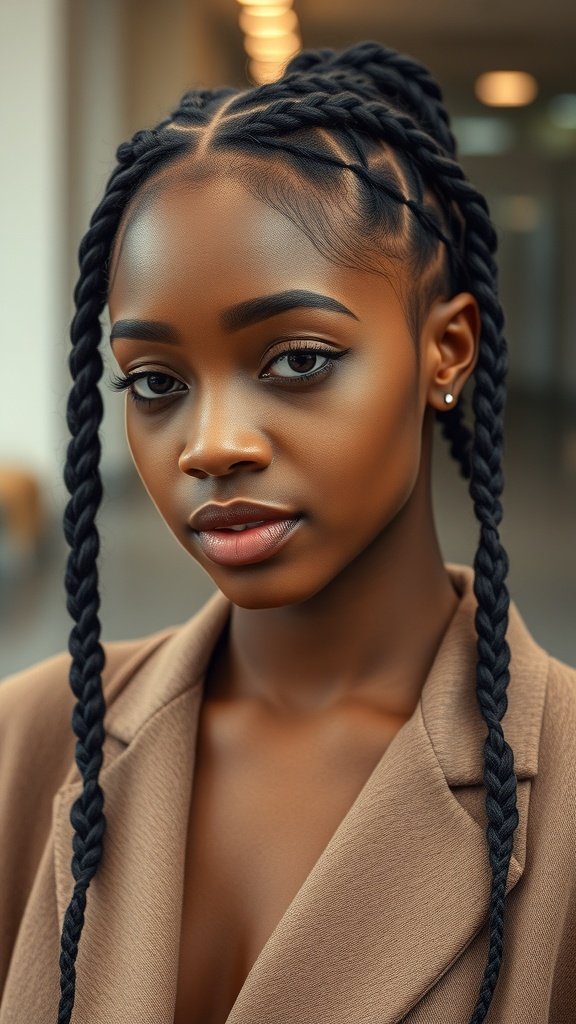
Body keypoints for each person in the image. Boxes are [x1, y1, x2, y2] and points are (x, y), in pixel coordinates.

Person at [0, 38, 574, 1024]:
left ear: (447, 350)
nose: (210, 446)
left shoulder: (564, 786)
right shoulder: (30, 738)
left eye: (297, 360)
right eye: (154, 382)